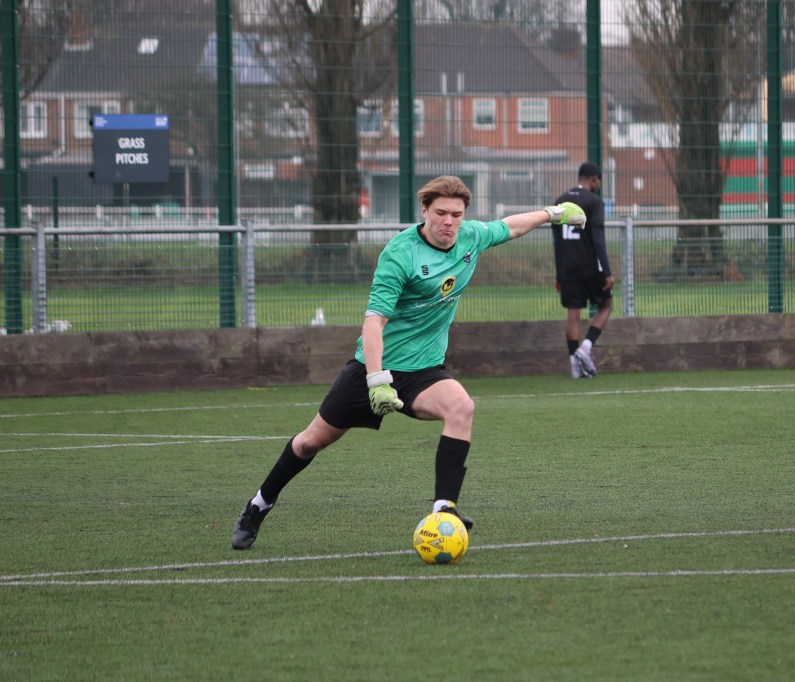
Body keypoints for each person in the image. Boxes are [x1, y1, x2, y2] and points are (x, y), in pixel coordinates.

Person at [231, 175, 586, 550]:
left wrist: (553, 213)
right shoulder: (400, 253)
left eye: (456, 215)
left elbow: (510, 226)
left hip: (424, 371)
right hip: (373, 368)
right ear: (425, 211)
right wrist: (376, 379)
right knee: (309, 443)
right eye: (441, 213)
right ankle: (259, 505)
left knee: (461, 406)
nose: (448, 222)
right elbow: (374, 323)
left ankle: (444, 510)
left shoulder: (471, 237)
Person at [552, 162, 614, 379]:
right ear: (594, 179)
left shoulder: (559, 201)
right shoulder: (594, 201)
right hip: (589, 267)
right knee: (606, 305)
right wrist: (607, 271)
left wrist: (559, 274)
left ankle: (574, 367)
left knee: (573, 315)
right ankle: (585, 348)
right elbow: (598, 240)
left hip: (566, 268)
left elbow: (556, 242)